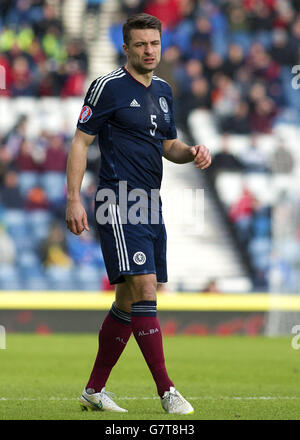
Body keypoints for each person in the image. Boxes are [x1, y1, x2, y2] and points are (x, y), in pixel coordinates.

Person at [65, 13, 211, 415]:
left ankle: (94, 391)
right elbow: (80, 142)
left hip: (150, 203)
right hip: (117, 200)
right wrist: (74, 199)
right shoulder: (107, 87)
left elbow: (169, 145)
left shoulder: (164, 91)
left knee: (130, 299)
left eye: (155, 44)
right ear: (126, 47)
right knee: (146, 287)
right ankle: (167, 391)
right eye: (141, 44)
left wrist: (192, 152)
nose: (149, 51)